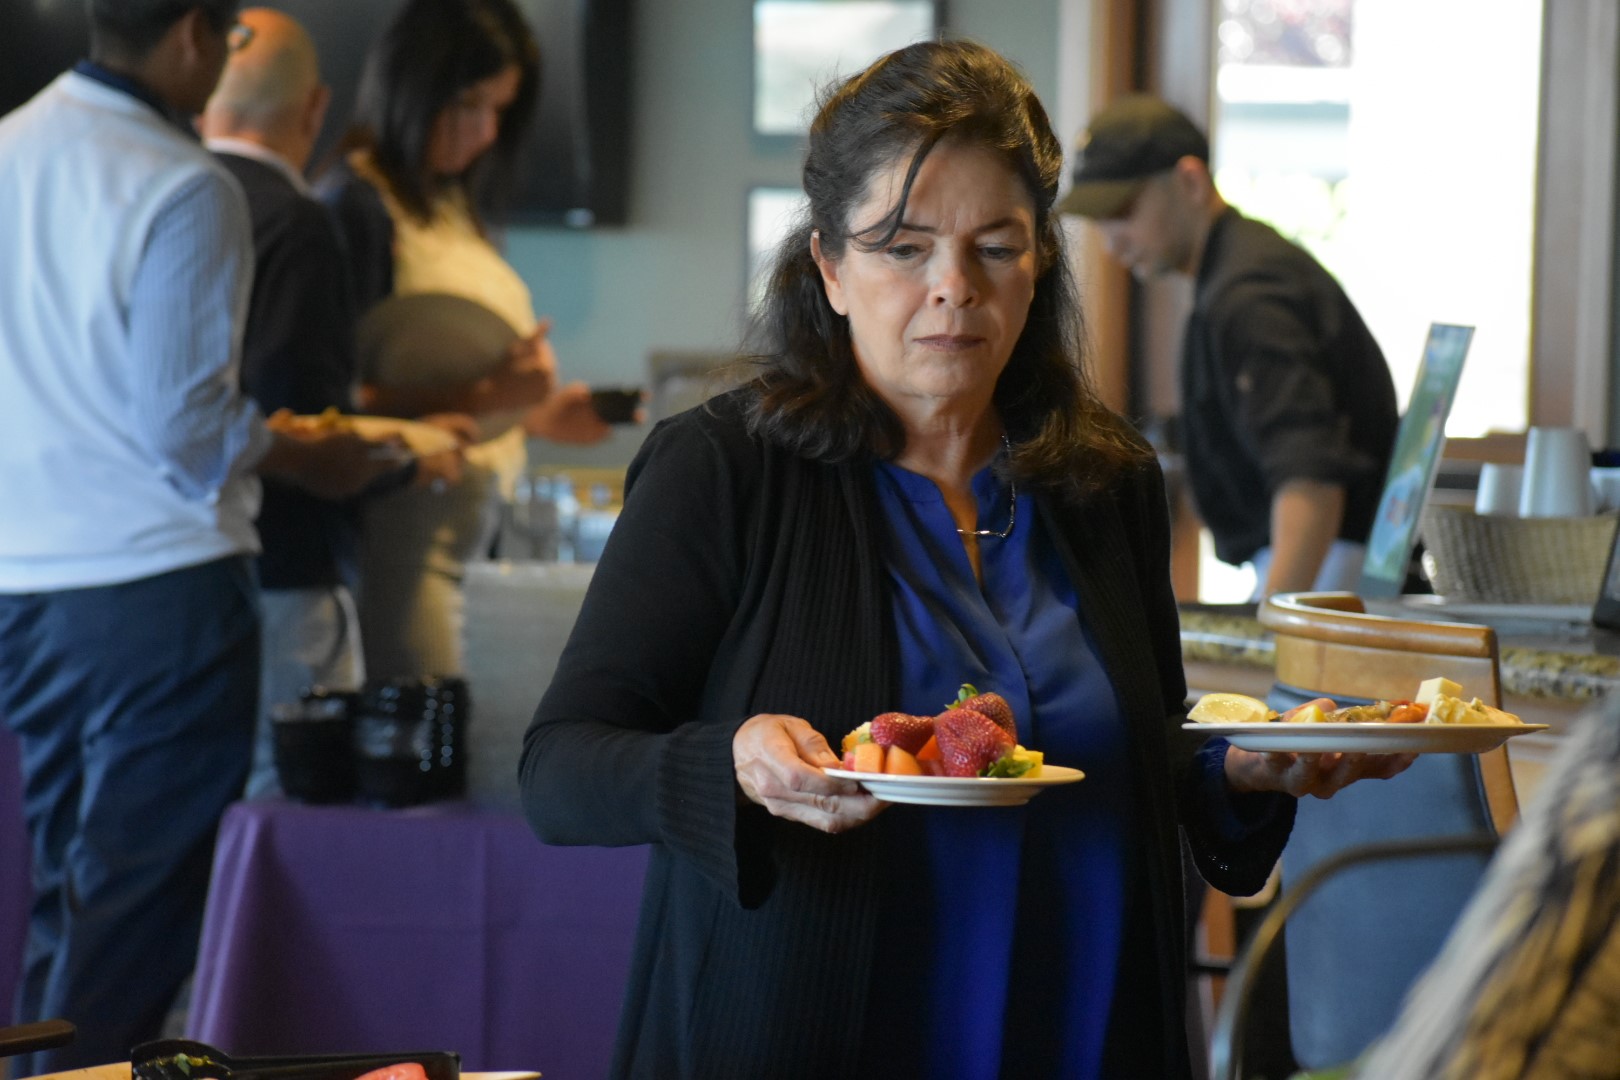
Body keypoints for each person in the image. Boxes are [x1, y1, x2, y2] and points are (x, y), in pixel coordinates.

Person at [519, 40, 1411, 1080]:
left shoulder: (1105, 482)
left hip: (1088, 1032)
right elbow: (560, 769)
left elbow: (1140, 752)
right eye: (904, 248)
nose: (954, 287)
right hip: (813, 1039)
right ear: (830, 268)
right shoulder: (724, 471)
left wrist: (1241, 769)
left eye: (996, 247)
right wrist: (733, 761)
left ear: (1039, 266)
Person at [0, 0, 397, 1070]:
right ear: (190, 36)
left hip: (24, 587)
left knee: (67, 892)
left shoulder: (9, 146)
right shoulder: (183, 182)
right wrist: (311, 453)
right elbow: (186, 431)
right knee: (134, 920)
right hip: (159, 591)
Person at [199, 7, 470, 797]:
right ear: (315, 107)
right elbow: (305, 426)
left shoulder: (150, 198)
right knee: (282, 799)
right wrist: (409, 462)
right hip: (285, 568)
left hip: (166, 573)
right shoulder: (298, 223)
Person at [316, 0, 611, 683]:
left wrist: (535, 411)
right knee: (424, 721)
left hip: (470, 528)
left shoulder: (446, 201)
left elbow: (435, 375)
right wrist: (489, 393)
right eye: (468, 106)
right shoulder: (356, 206)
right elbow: (331, 402)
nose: (486, 132)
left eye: (499, 110)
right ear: (413, 88)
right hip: (400, 537)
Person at [1059, 94, 1399, 600]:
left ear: (1191, 182)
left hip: (1327, 574)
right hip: (1322, 566)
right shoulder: (1240, 271)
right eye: (1099, 222)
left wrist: (1271, 629)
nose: (1111, 244)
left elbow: (1311, 482)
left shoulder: (1250, 295)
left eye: (1123, 211)